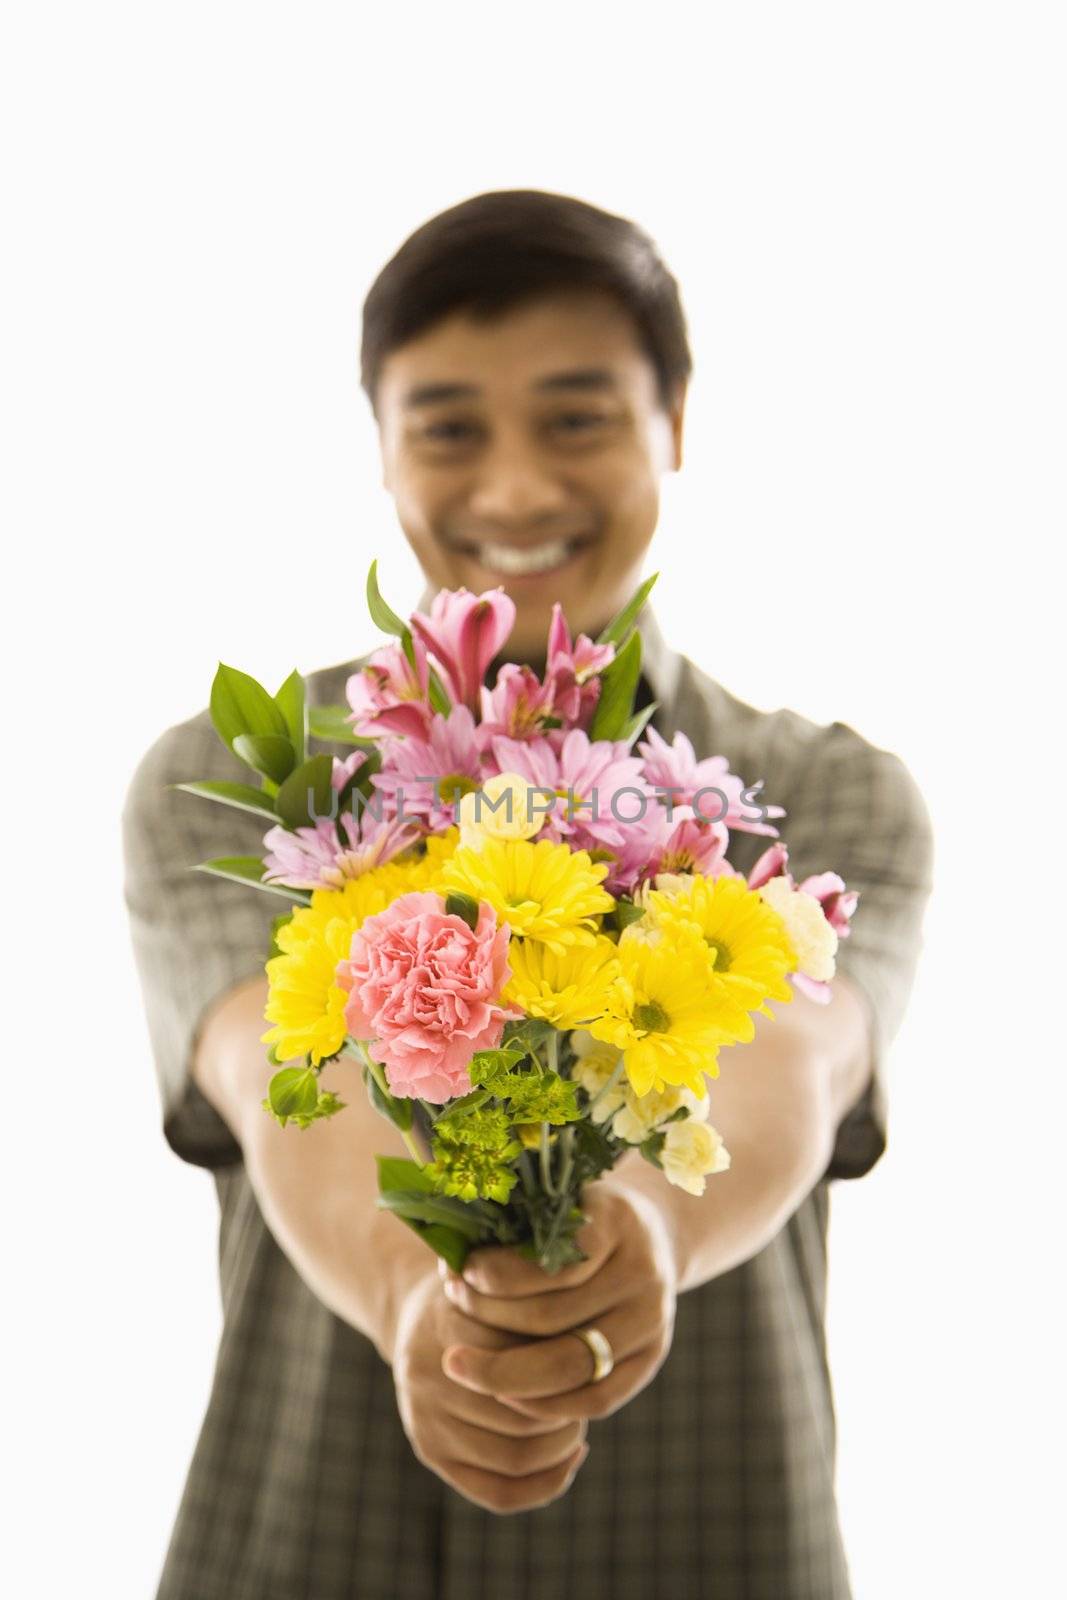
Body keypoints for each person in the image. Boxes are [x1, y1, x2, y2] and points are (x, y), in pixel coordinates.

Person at [122, 190, 934, 1600]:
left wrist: (656, 1232)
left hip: (711, 1546)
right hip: (309, 1540)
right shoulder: (243, 781)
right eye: (447, 426)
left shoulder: (830, 793)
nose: (511, 491)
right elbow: (277, 1066)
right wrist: (414, 1294)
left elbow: (790, 1050)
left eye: (576, 418)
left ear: (675, 423)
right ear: (379, 450)